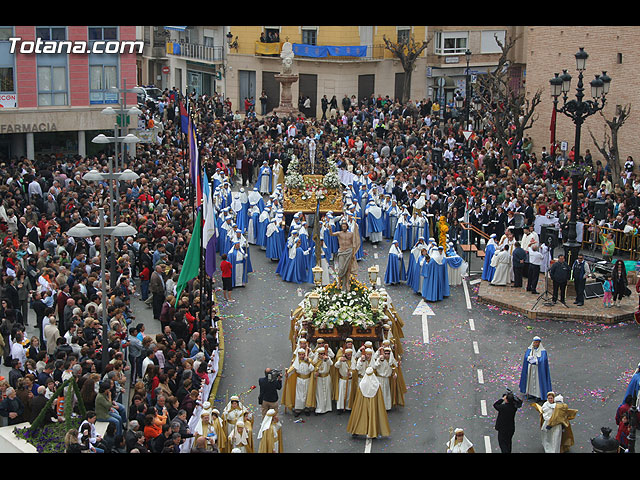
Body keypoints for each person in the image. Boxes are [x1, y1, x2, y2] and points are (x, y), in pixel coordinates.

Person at [346, 366, 390, 439]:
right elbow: (379, 398)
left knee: (360, 415)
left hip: (363, 404)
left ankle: (357, 430)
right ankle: (373, 431)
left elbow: (358, 397)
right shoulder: (376, 385)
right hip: (373, 404)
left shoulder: (362, 384)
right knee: (373, 415)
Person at [519, 336, 552, 403]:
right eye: (535, 342)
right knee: (530, 381)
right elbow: (526, 356)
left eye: (537, 342)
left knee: (538, 382)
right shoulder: (530, 349)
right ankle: (531, 393)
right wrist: (528, 358)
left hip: (538, 370)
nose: (536, 344)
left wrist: (536, 361)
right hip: (531, 368)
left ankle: (538, 395)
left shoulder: (542, 351)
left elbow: (543, 360)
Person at [328, 222, 359, 292]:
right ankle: (339, 282)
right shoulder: (339, 233)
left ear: (347, 227)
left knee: (348, 268)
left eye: (345, 226)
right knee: (341, 268)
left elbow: (354, 242)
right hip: (342, 252)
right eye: (343, 226)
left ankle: (347, 283)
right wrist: (330, 229)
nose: (344, 227)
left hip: (349, 252)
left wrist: (353, 254)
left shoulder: (351, 234)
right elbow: (331, 234)